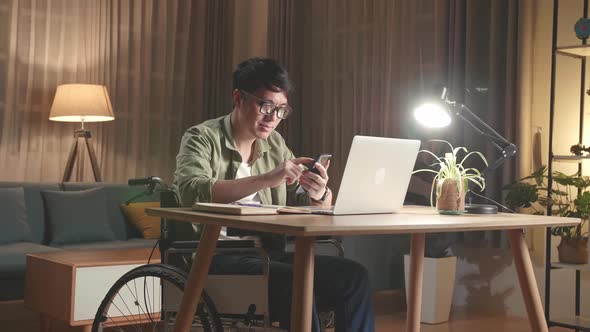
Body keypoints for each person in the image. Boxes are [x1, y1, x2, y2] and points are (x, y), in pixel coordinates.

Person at [172, 57, 375, 331]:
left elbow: (305, 202)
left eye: (281, 110)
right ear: (238, 98)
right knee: (296, 281)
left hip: (267, 254)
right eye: (265, 105)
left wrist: (320, 193)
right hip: (217, 255)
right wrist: (268, 179)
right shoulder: (202, 137)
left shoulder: (275, 144)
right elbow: (190, 190)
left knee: (354, 276)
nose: (273, 118)